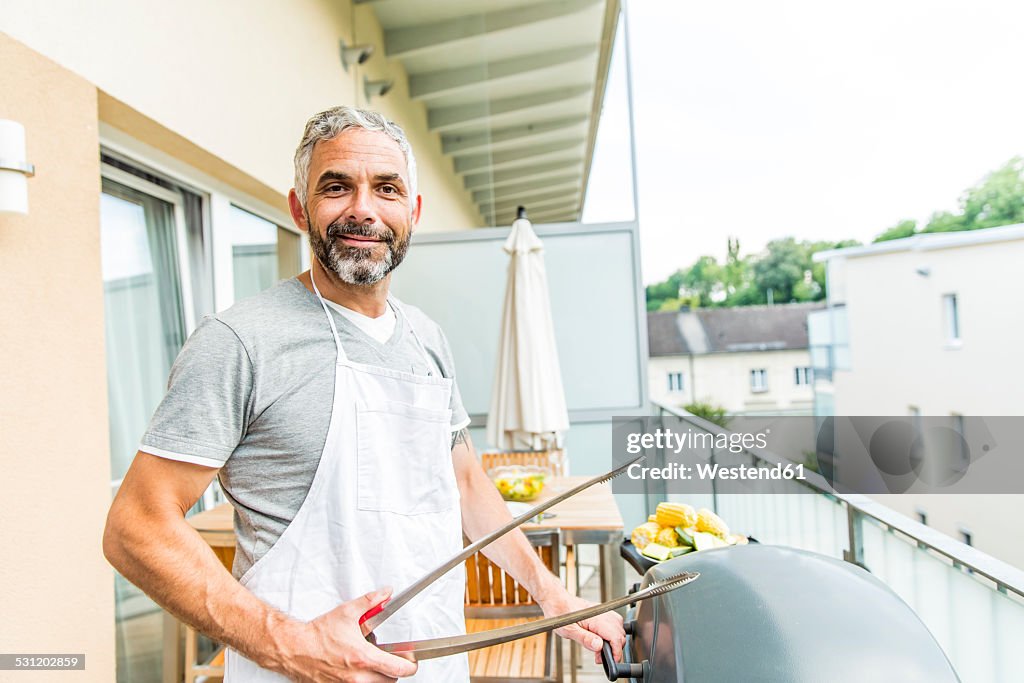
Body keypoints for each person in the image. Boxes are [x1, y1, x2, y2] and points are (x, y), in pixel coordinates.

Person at [103, 105, 626, 682]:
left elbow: (465, 482)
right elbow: (136, 528)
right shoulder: (239, 341)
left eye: (386, 188)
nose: (363, 209)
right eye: (336, 187)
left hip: (432, 663)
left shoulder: (426, 338)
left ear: (412, 211)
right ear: (299, 208)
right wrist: (286, 645)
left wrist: (551, 593)